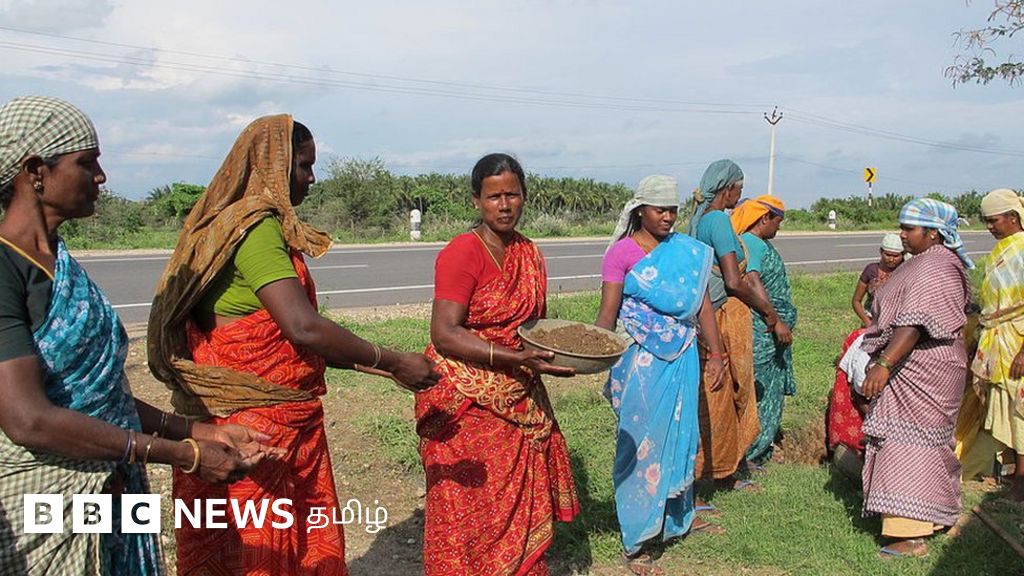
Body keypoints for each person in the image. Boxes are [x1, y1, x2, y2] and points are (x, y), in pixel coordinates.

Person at [147, 115, 437, 575]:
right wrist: (393, 358)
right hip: (256, 430)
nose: (311, 178)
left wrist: (379, 369)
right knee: (264, 553)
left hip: (276, 416)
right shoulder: (254, 228)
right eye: (303, 166)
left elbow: (288, 342)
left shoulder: (246, 227)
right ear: (273, 168)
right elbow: (302, 328)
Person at [0, 96, 268, 576]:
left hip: (110, 483)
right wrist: (183, 456)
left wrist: (198, 430)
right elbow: (28, 419)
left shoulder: (60, 265)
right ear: (36, 171)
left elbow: (103, 398)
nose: (100, 177)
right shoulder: (4, 270)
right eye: (87, 163)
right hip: (40, 502)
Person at [417, 153, 579, 575]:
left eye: (512, 195)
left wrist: (555, 351)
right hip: (466, 402)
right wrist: (513, 357)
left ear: (524, 197)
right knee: (470, 511)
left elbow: (532, 325)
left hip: (519, 393)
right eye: (493, 197)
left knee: (520, 506)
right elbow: (446, 333)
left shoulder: (529, 252)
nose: (504, 205)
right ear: (476, 201)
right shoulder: (461, 253)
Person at [595, 175, 726, 575]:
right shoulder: (621, 254)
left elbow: (702, 306)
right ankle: (637, 539)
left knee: (681, 436)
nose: (669, 217)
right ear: (640, 210)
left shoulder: (687, 252)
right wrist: (590, 352)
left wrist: (717, 354)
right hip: (642, 359)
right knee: (642, 445)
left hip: (684, 355)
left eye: (673, 210)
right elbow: (608, 313)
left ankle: (676, 519)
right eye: (660, 210)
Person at [859, 198, 972, 558]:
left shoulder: (934, 267)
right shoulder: (929, 261)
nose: (902, 235)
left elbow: (915, 322)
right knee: (927, 442)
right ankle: (938, 514)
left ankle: (910, 532)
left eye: (909, 229)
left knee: (908, 444)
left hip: (922, 367)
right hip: (926, 364)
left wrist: (885, 364)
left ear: (933, 233)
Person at [686, 159, 791, 488]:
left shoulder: (701, 219)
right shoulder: (717, 219)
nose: (739, 196)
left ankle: (730, 464)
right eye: (739, 189)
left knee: (721, 394)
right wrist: (769, 314)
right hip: (723, 316)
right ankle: (724, 469)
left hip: (711, 315)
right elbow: (734, 280)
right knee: (733, 392)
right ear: (727, 188)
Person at [730, 195, 796, 465]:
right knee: (762, 390)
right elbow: (752, 280)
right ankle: (751, 451)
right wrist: (775, 319)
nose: (778, 228)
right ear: (764, 218)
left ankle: (757, 448)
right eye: (777, 222)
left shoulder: (756, 242)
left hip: (768, 328)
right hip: (763, 330)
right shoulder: (752, 243)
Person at [969, 188, 1024, 499]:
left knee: (1019, 410)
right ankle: (1007, 469)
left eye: (994, 220)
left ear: (1013, 218)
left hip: (1016, 342)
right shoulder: (1001, 250)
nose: (989, 227)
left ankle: (1021, 481)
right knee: (1001, 408)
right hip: (997, 341)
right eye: (986, 221)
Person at [852, 233, 905, 327]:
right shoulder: (870, 270)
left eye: (896, 256)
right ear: (881, 252)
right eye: (888, 255)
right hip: (872, 321)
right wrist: (867, 322)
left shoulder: (905, 271)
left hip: (897, 323)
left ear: (902, 255)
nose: (891, 259)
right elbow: (856, 300)